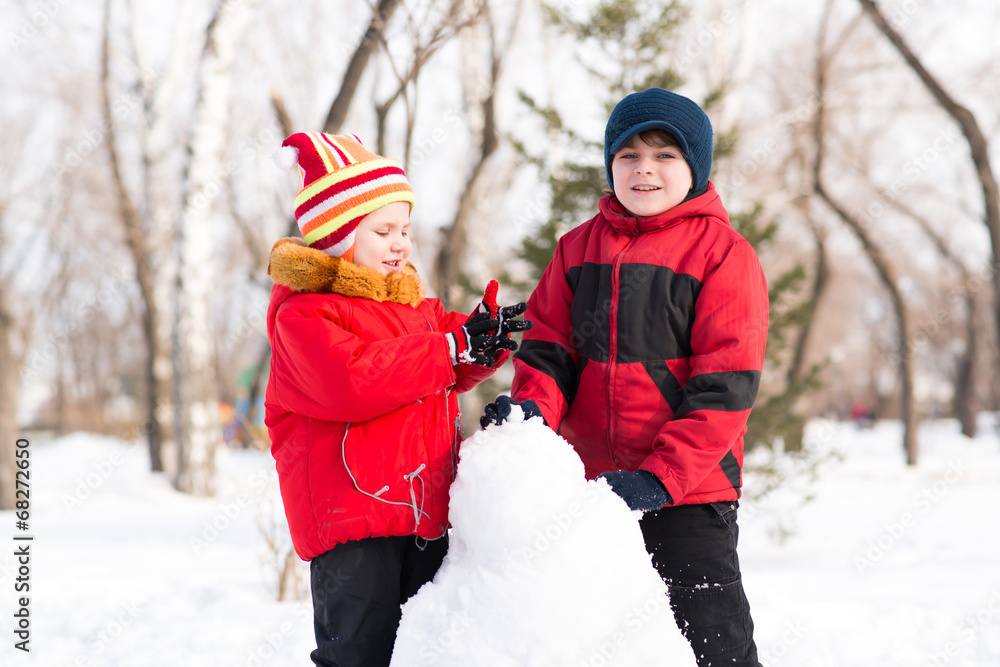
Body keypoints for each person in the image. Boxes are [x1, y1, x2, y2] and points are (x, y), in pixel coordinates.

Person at [483, 88, 768, 667]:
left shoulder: (722, 254)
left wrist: (662, 478)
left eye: (665, 155)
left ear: (695, 168)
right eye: (629, 155)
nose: (645, 169)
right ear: (610, 163)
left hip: (691, 493)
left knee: (712, 645)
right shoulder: (576, 248)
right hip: (591, 491)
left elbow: (725, 385)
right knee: (602, 640)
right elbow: (548, 350)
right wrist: (533, 416)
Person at [264, 132, 531, 667]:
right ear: (337, 238)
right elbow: (353, 381)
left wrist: (484, 340)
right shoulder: (304, 314)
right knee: (360, 653)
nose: (400, 244)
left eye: (405, 230)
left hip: (424, 517)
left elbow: (447, 358)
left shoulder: (417, 310)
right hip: (352, 525)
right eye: (383, 231)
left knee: (423, 649)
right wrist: (451, 348)